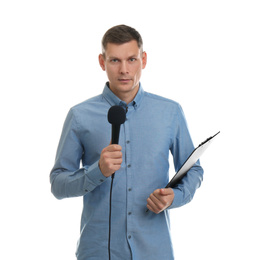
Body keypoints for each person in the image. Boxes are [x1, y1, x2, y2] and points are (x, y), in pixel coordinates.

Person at [50, 24, 204, 260]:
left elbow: (193, 170)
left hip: (155, 251)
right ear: (102, 62)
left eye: (131, 59)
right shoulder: (80, 115)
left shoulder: (170, 112)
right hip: (98, 252)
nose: (124, 70)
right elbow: (58, 184)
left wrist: (175, 196)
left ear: (143, 59)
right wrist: (97, 171)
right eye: (114, 61)